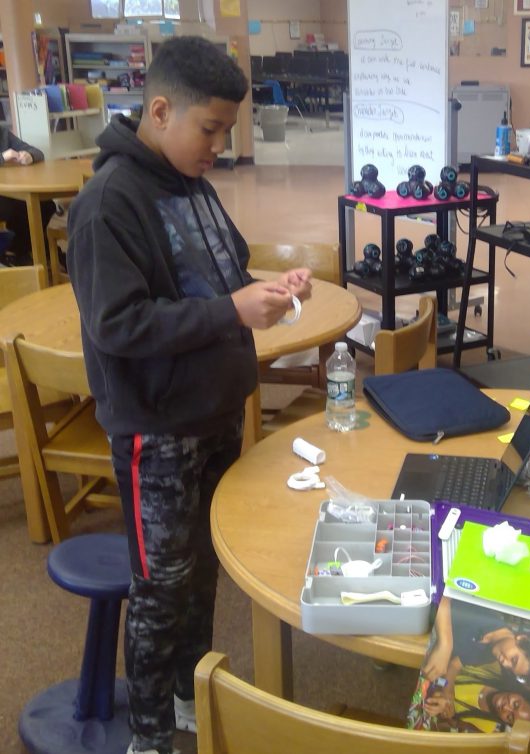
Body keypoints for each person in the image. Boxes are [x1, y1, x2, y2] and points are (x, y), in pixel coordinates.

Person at [67, 37, 311, 754]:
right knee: (159, 588)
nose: (218, 146)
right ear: (160, 110)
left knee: (203, 571)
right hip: (157, 429)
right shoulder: (108, 203)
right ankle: (148, 735)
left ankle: (186, 701)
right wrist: (234, 311)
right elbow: (120, 325)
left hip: (212, 411)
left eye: (226, 132)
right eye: (209, 130)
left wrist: (268, 286)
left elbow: (224, 268)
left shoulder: (194, 185)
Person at [422, 597, 530, 688]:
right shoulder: (487, 611)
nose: (505, 664)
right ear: (522, 639)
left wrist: (448, 690)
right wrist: (445, 644)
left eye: (511, 669)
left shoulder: (489, 655)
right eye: (514, 659)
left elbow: (456, 664)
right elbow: (443, 591)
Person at [422, 666, 530, 734]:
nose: (506, 708)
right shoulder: (494, 668)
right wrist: (445, 691)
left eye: (510, 717)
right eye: (516, 704)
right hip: (429, 669)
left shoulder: (486, 727)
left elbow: (452, 723)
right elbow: (455, 663)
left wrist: (447, 715)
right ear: (520, 692)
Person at [0, 126, 51, 265]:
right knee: (18, 210)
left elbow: (37, 152)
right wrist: (3, 157)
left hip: (9, 191)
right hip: (5, 197)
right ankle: (24, 252)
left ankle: (21, 249)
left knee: (46, 204)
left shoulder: (3, 133)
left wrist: (30, 156)